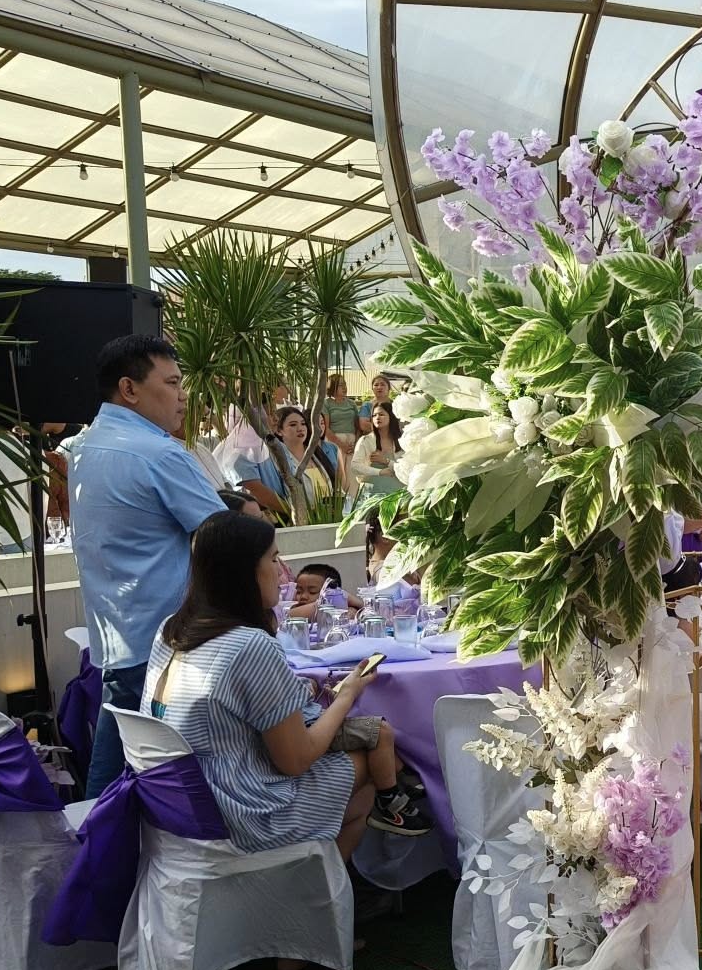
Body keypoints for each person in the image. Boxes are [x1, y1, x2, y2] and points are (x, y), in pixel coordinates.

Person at [148, 513, 432, 866]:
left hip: (181, 802)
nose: (282, 570)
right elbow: (296, 760)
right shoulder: (249, 644)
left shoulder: (172, 630)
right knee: (375, 764)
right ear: (246, 571)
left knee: (357, 797)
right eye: (273, 558)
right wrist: (346, 695)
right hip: (245, 814)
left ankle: (319, 887)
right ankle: (314, 896)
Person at [70, 335, 228, 797]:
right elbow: (224, 535)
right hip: (165, 643)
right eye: (173, 382)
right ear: (129, 389)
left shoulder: (85, 446)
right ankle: (99, 859)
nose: (183, 395)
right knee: (139, 775)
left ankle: (95, 852)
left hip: (119, 633)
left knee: (116, 767)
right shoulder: (157, 453)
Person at [360, 403, 404, 499]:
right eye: (374, 415)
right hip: (373, 495)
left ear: (391, 416)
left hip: (398, 495)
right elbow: (356, 469)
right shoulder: (366, 440)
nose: (377, 418)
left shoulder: (403, 441)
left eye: (381, 414)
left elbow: (406, 469)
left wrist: (386, 461)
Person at [323, 373, 361, 463]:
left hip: (352, 443)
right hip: (334, 443)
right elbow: (325, 428)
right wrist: (341, 445)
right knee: (337, 474)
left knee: (351, 475)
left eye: (345, 384)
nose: (344, 387)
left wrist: (356, 444)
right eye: (340, 385)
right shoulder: (326, 403)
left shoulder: (352, 403)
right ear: (332, 387)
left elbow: (358, 426)